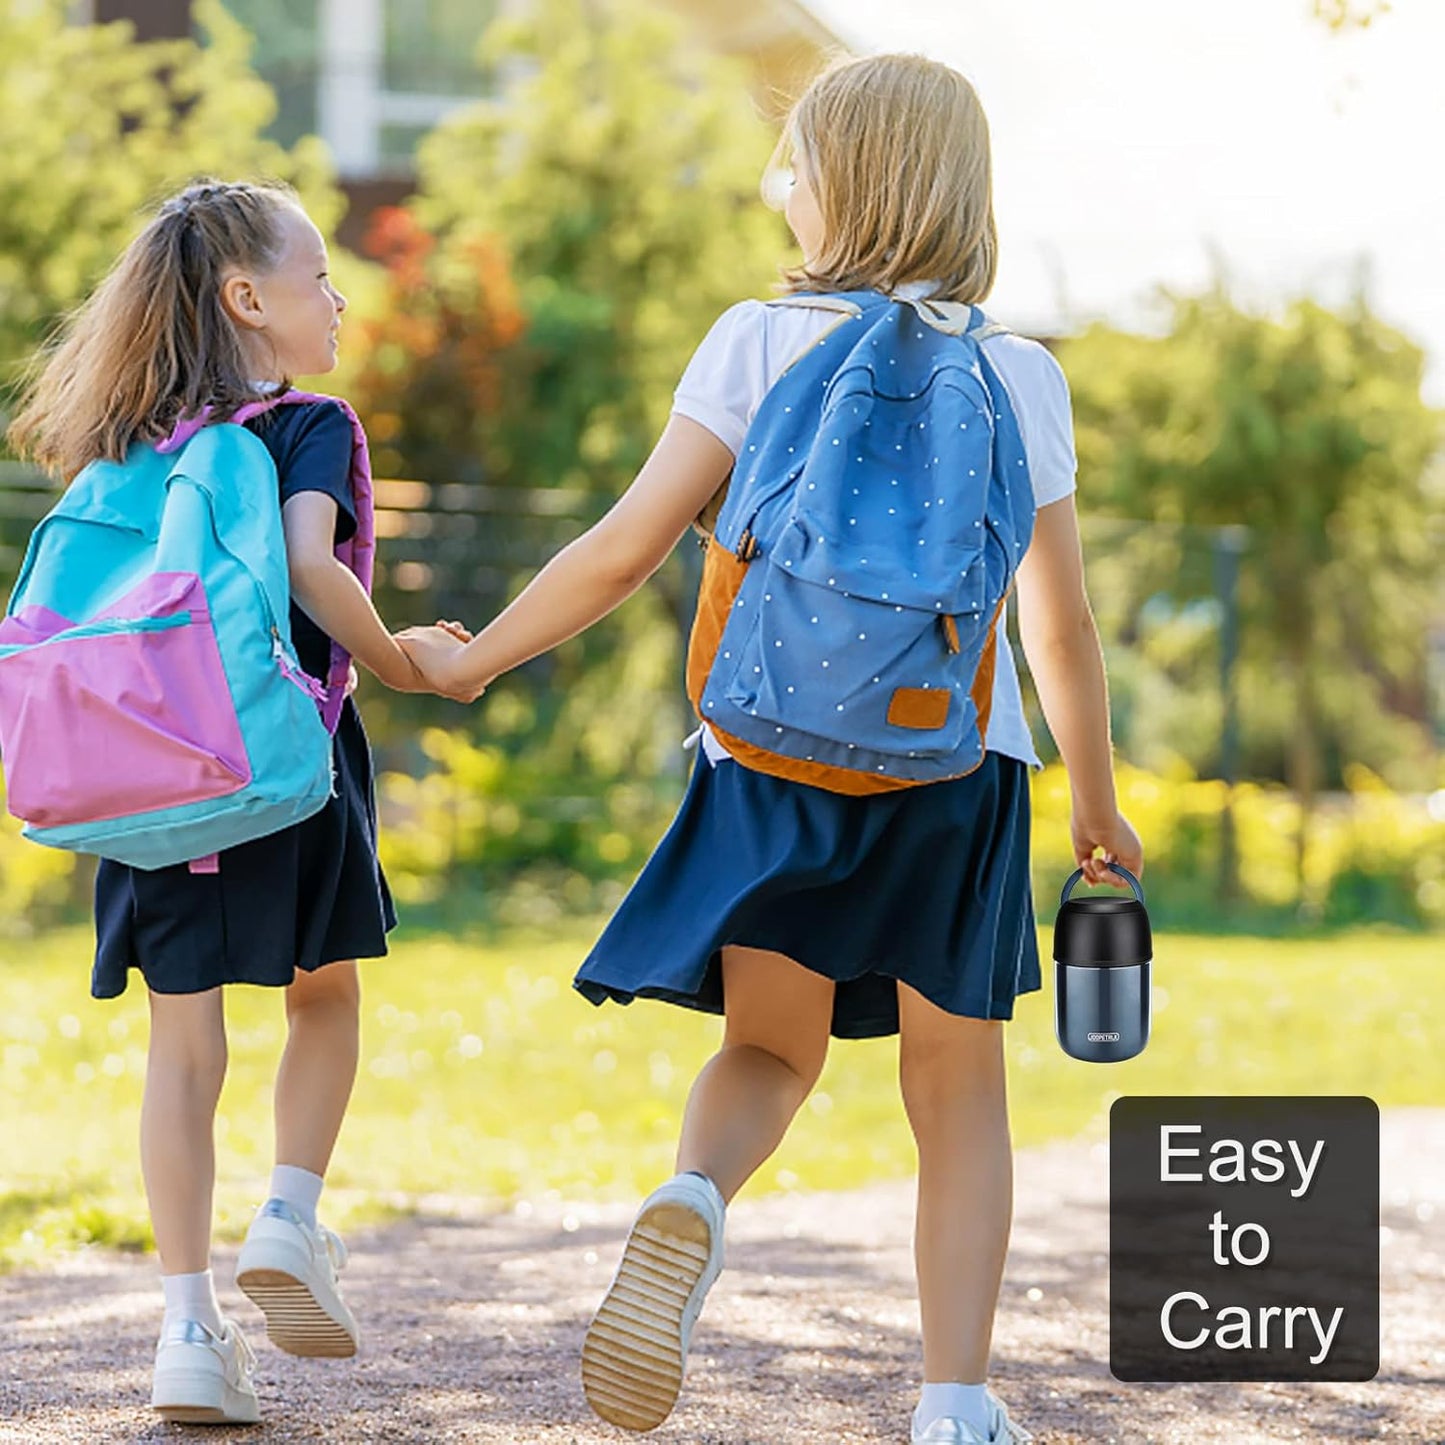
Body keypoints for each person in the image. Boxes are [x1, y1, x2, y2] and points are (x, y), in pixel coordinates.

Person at [400, 53, 1143, 1445]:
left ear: (843, 187)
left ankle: (692, 1200)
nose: (773, 191)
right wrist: (1097, 806)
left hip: (765, 758)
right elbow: (1061, 629)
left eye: (789, 166)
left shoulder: (754, 339)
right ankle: (953, 1402)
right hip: (954, 772)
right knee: (954, 1085)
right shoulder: (1018, 372)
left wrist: (475, 653)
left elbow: (623, 548)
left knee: (770, 1048)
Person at [8, 179, 461, 1425]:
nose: (338, 297)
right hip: (275, 774)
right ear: (247, 299)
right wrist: (410, 653)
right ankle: (289, 1214)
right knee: (323, 998)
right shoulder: (302, 425)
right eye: (320, 277)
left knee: (181, 1042)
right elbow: (313, 569)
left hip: (145, 780)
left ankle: (188, 1330)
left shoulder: (126, 441)